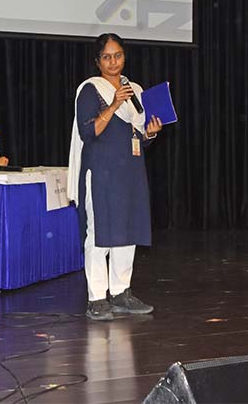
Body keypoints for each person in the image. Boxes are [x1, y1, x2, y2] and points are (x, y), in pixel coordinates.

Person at [67, 33, 163, 322]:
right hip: (101, 172)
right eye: (107, 57)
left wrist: (150, 133)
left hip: (130, 171)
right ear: (98, 61)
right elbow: (88, 132)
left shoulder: (135, 90)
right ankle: (97, 297)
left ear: (124, 57)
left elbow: (137, 135)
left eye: (118, 55)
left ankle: (121, 292)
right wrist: (112, 105)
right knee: (100, 234)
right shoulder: (90, 89)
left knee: (127, 230)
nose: (113, 62)